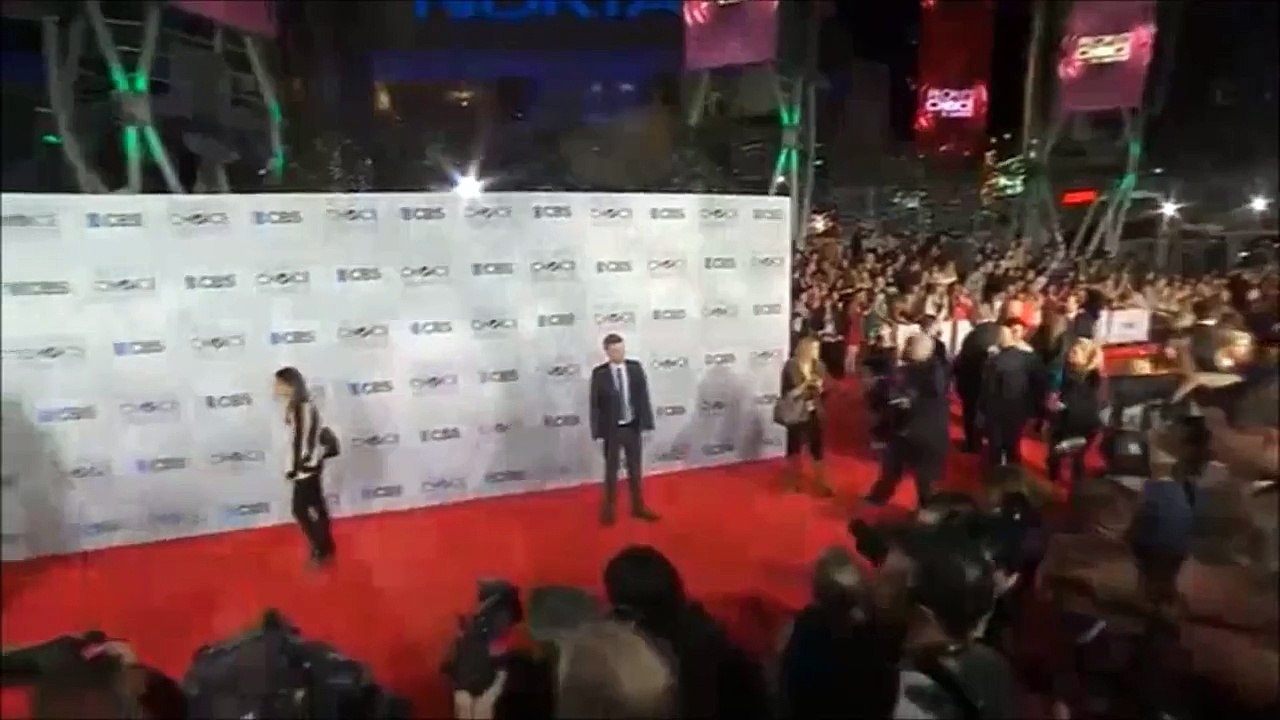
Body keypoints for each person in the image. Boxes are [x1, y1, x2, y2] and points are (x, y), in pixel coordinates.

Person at [866, 334, 949, 507]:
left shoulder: (934, 371)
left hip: (926, 433)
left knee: (925, 478)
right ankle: (879, 496)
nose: (906, 348)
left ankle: (928, 509)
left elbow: (931, 392)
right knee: (891, 467)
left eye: (909, 346)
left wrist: (909, 400)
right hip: (906, 429)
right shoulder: (911, 368)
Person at [588, 334, 659, 526]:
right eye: (615, 350)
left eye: (622, 349)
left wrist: (647, 423)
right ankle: (609, 510)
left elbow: (643, 397)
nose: (620, 353)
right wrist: (597, 432)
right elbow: (595, 405)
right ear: (607, 352)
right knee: (611, 471)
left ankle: (638, 507)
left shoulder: (635, 368)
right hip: (612, 430)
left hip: (632, 427)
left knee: (635, 470)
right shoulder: (599, 374)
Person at [273, 366, 335, 567]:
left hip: (306, 467)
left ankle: (321, 548)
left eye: (278, 383)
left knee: (300, 509)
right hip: (308, 464)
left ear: (289, 385)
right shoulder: (297, 406)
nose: (275, 388)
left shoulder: (302, 407)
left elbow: (303, 442)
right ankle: (325, 547)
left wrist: (294, 468)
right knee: (315, 506)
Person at [981, 321, 1042, 468]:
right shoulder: (1029, 359)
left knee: (995, 447)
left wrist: (983, 410)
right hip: (1018, 409)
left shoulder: (993, 361)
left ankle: (996, 476)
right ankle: (1014, 476)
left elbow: (988, 389)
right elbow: (1038, 384)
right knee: (1013, 444)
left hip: (997, 410)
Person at [1045, 338, 1104, 490]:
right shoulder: (1067, 370)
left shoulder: (1094, 379)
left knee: (1076, 458)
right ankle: (1053, 481)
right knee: (1054, 455)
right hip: (1062, 422)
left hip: (1082, 426)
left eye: (1075, 352)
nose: (1070, 353)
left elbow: (1090, 404)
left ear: (1085, 357)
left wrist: (1064, 405)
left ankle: (1078, 489)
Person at [780, 336, 833, 497]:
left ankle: (821, 482)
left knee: (817, 446)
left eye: (818, 348)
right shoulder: (791, 366)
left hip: (813, 410)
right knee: (795, 447)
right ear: (805, 349)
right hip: (796, 410)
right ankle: (792, 481)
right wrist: (807, 383)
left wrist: (820, 388)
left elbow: (825, 388)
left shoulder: (820, 366)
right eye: (814, 348)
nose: (817, 351)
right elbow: (790, 393)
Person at [953, 312, 1002, 454]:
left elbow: (960, 361)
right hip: (988, 385)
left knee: (970, 413)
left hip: (969, 382)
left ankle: (971, 444)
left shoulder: (971, 337)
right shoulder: (997, 335)